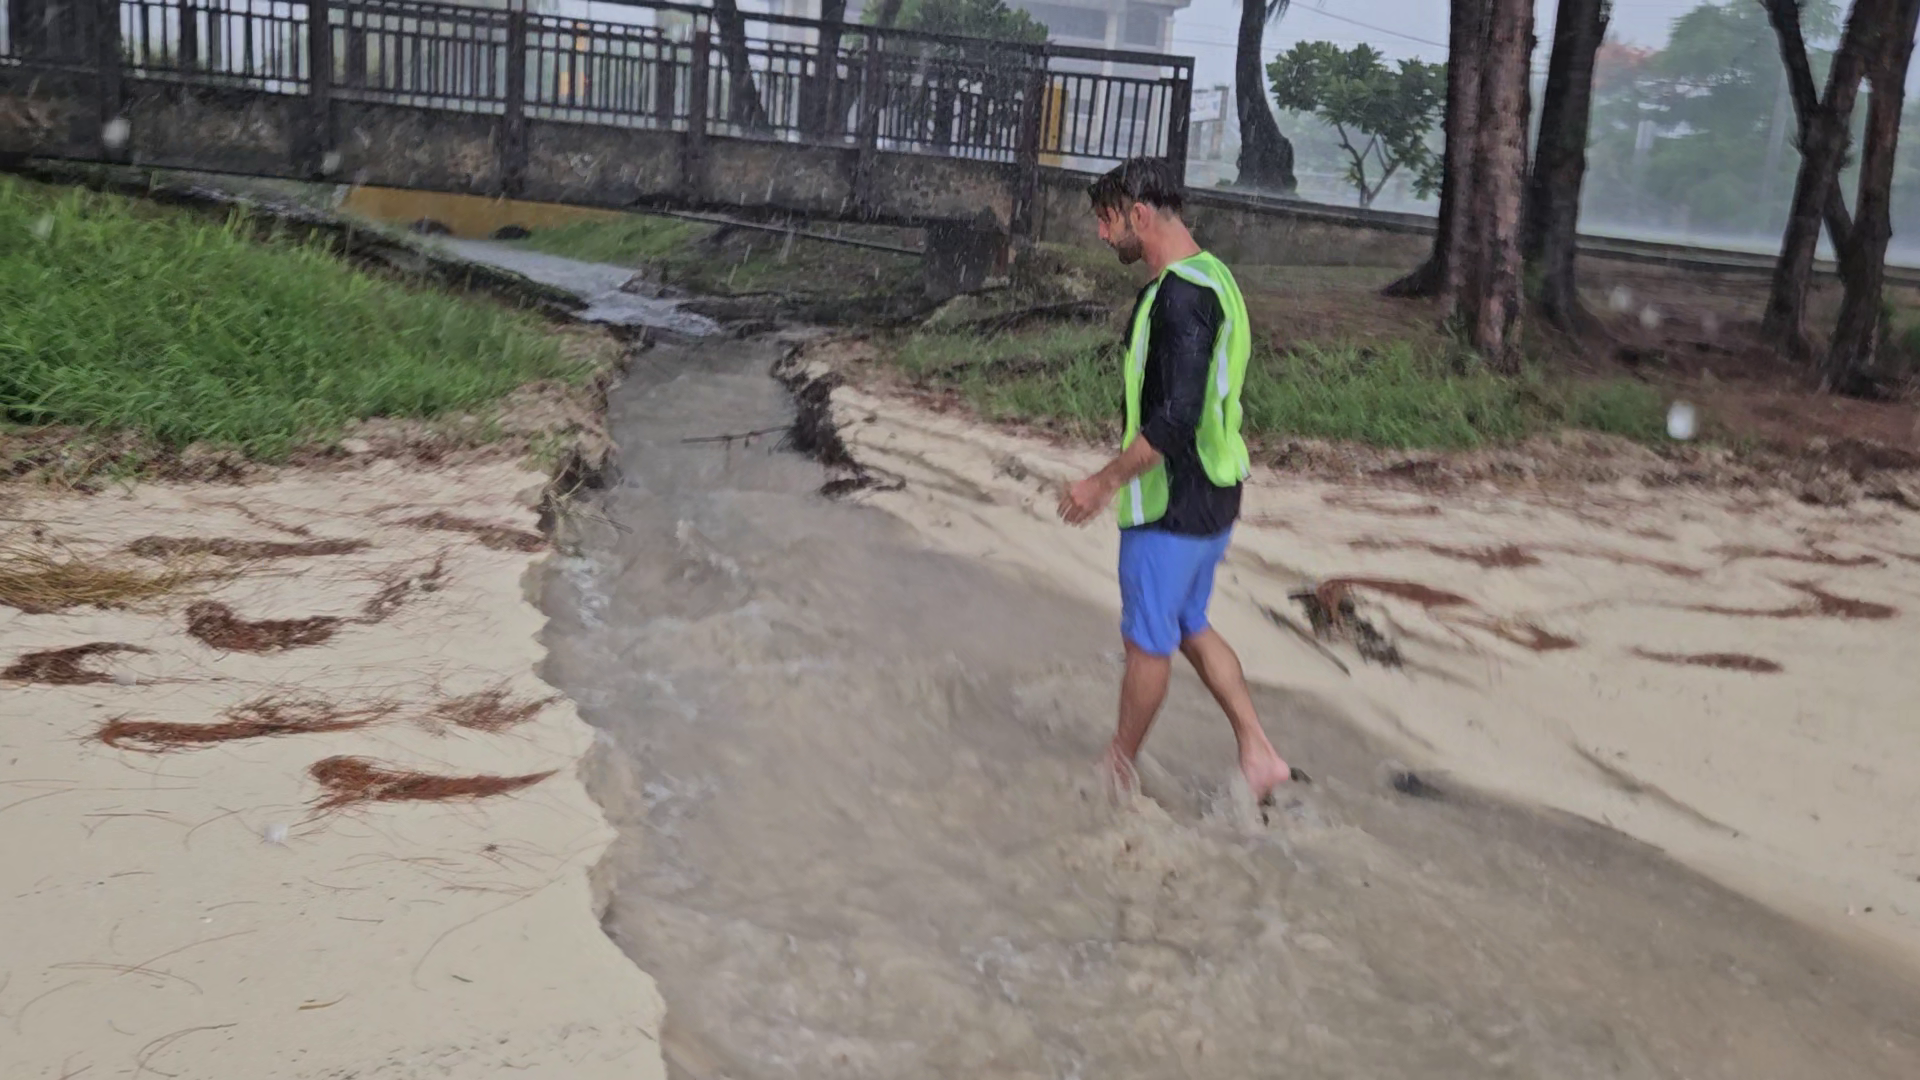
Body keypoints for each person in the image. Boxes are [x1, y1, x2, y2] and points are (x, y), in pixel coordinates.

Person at [1056, 156, 1293, 804]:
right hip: (1216, 495)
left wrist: (1101, 483)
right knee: (1189, 620)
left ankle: (1117, 770)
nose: (1103, 236)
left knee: (1147, 642)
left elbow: (1176, 419)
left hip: (1174, 504)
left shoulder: (1181, 298)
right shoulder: (1213, 277)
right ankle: (1259, 751)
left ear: (1137, 215)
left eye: (1106, 222)